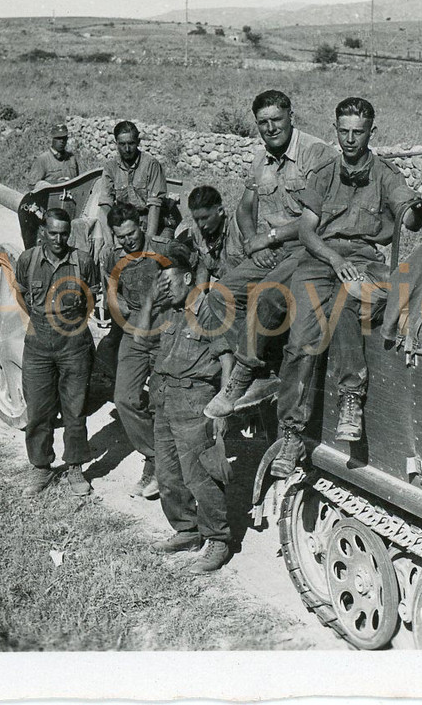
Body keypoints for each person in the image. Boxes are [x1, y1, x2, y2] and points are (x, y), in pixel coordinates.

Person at [269, 97, 422, 477]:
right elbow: (306, 229)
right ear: (335, 129)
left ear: (372, 132)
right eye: (344, 131)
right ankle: (291, 433)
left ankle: (351, 399)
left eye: (358, 132)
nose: (350, 139)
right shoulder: (324, 173)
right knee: (301, 341)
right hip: (321, 258)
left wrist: (420, 204)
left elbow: (412, 221)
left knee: (348, 304)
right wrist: (335, 261)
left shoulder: (386, 175)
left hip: (367, 260)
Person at [203, 90, 338, 419]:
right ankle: (259, 375)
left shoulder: (317, 154)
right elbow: (245, 208)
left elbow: (319, 218)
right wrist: (252, 241)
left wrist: (270, 237)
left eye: (277, 119)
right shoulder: (260, 158)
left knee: (268, 296)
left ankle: (259, 371)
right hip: (267, 248)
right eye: (263, 123)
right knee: (220, 295)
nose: (271, 128)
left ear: (292, 115)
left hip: (306, 247)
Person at [138, 247, 235, 574]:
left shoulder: (209, 311)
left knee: (199, 475)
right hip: (166, 398)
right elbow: (139, 336)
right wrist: (152, 299)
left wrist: (222, 406)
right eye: (160, 281)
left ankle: (218, 539)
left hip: (195, 399)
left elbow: (227, 361)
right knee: (167, 474)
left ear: (188, 277)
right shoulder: (171, 309)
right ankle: (187, 530)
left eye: (168, 280)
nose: (164, 286)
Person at [105, 202, 191, 500]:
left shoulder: (163, 249)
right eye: (121, 237)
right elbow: (110, 288)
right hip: (134, 331)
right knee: (124, 398)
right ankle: (154, 456)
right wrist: (117, 305)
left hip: (165, 327)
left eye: (131, 233)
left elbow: (192, 271)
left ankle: (165, 465)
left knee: (160, 399)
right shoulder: (114, 256)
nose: (128, 241)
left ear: (141, 225)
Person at [13, 208, 98, 497]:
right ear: (43, 232)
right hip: (37, 346)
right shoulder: (28, 260)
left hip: (74, 345)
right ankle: (41, 468)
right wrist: (42, 322)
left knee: (75, 409)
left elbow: (90, 301)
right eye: (53, 233)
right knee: (38, 409)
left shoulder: (82, 261)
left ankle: (75, 467)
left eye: (64, 233)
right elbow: (21, 293)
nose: (59, 239)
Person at [99, 120, 168, 244]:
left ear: (138, 142)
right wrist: (110, 242)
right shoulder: (110, 167)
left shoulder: (151, 164)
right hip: (124, 224)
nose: (127, 149)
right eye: (122, 144)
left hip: (152, 223)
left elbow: (155, 206)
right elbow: (105, 205)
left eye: (131, 143)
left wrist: (148, 241)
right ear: (116, 144)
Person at [175, 185, 243, 287]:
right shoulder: (197, 232)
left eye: (205, 218)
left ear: (220, 211)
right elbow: (203, 265)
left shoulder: (239, 228)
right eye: (197, 219)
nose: (201, 224)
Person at [28, 122, 81, 189]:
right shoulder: (42, 160)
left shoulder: (71, 158)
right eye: (58, 138)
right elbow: (32, 185)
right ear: (52, 139)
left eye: (64, 138)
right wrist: (55, 183)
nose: (62, 141)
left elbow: (77, 181)